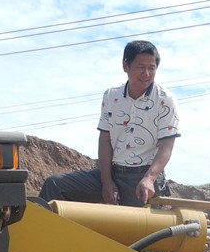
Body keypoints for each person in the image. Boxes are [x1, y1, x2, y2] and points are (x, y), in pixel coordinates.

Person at [39, 40, 179, 207]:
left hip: (143, 177)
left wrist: (149, 178)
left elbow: (166, 146)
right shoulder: (112, 96)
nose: (146, 73)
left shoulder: (165, 100)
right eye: (141, 67)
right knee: (54, 185)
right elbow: (105, 140)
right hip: (112, 173)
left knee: (137, 229)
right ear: (125, 65)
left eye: (152, 68)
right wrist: (106, 182)